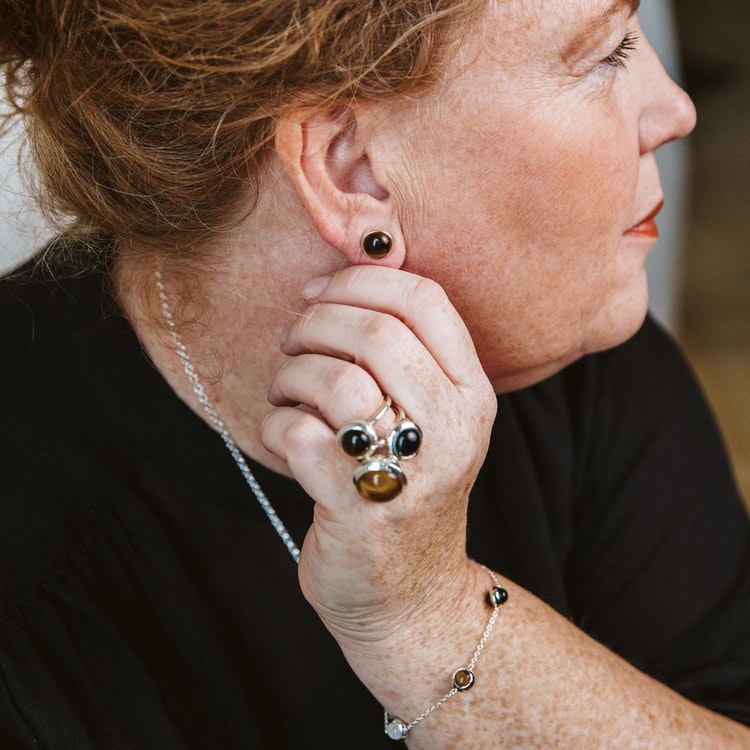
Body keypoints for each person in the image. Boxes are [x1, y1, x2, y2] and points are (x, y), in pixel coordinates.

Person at [1, 0, 749, 747]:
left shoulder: (570, 359)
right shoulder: (32, 572)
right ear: (349, 166)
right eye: (607, 53)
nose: (676, 109)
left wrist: (436, 618)